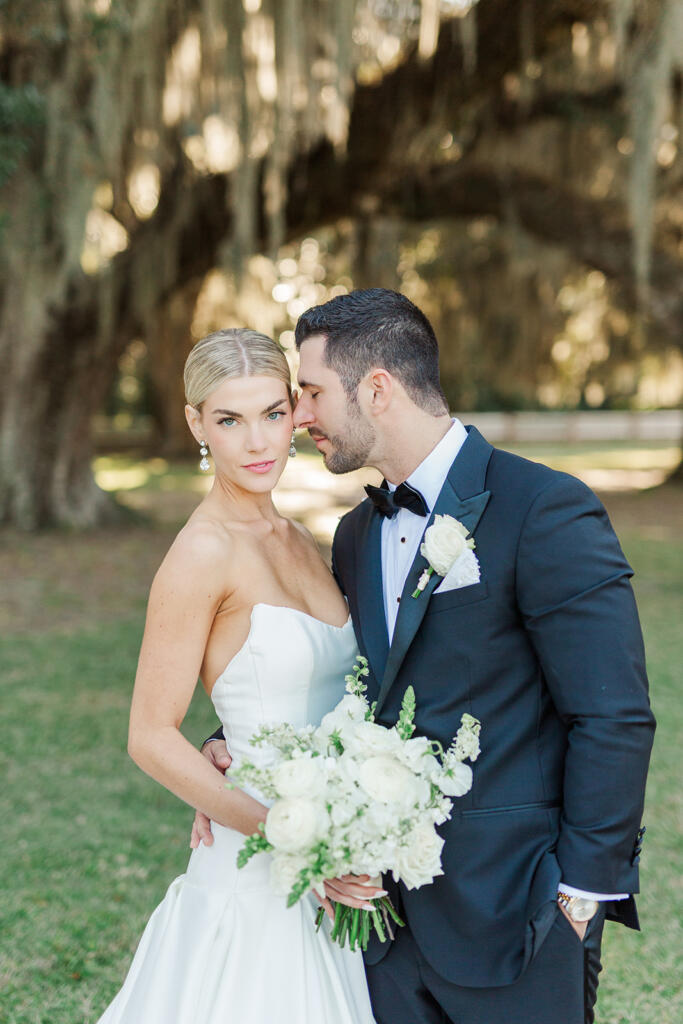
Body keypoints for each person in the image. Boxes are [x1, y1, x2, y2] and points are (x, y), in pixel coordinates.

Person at [196, 289, 656, 1024]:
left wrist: (579, 897)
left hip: (516, 915)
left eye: (312, 392)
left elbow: (612, 715)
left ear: (376, 389)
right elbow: (348, 674)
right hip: (381, 928)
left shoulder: (542, 507)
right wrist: (233, 745)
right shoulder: (355, 534)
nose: (300, 416)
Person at [96, 328, 377, 1023]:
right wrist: (290, 835)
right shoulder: (201, 552)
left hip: (331, 846)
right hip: (258, 864)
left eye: (272, 414)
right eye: (229, 420)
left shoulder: (299, 539)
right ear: (197, 424)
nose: (257, 442)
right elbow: (149, 736)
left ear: (295, 412)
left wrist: (227, 745)